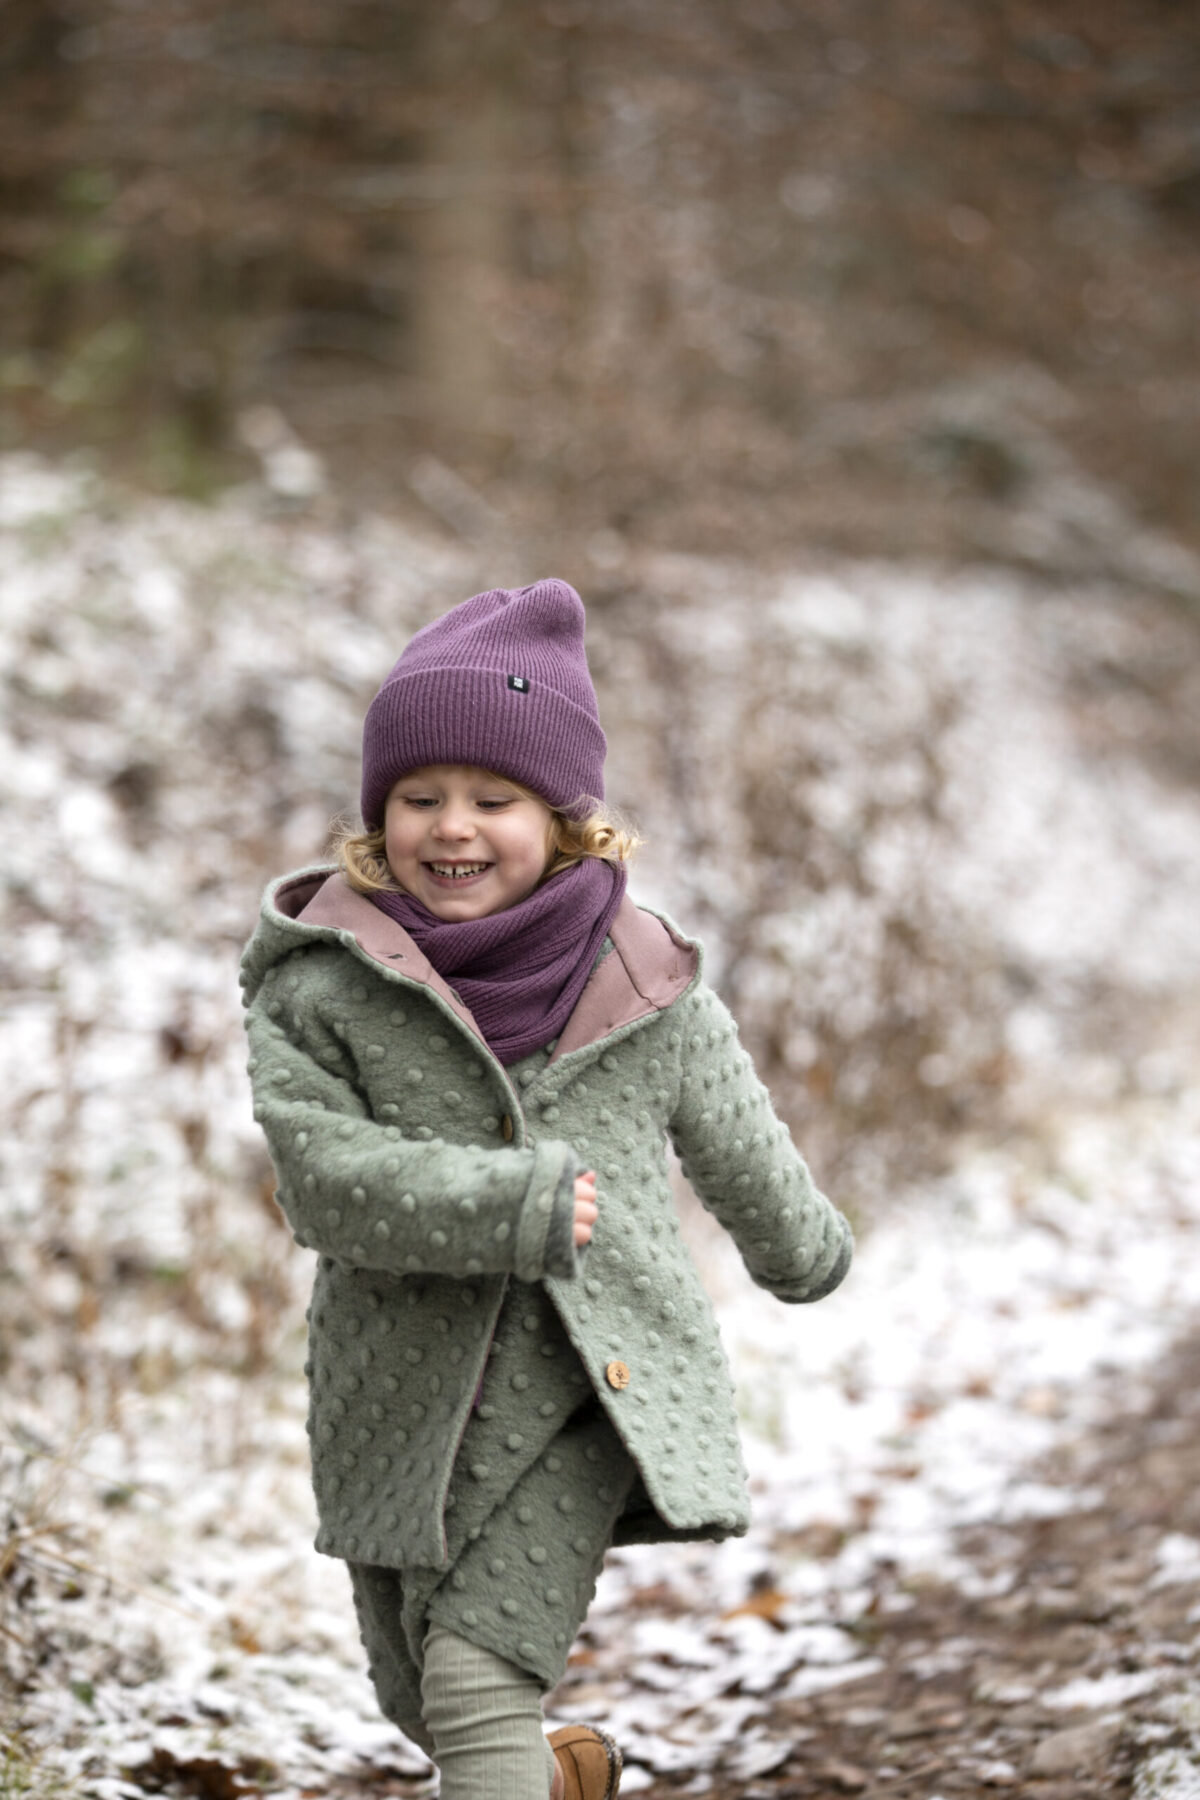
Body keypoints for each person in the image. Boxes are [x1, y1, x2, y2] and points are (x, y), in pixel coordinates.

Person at [240, 579, 853, 1800]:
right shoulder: (324, 989)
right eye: (419, 797)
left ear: (564, 820)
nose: (450, 826)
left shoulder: (643, 981)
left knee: (473, 1684)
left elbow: (734, 1137)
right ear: (378, 814)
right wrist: (502, 1203)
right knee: (423, 1694)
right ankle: (560, 1778)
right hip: (398, 1400)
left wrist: (805, 1252)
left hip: (586, 1393)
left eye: (492, 799)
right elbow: (321, 1182)